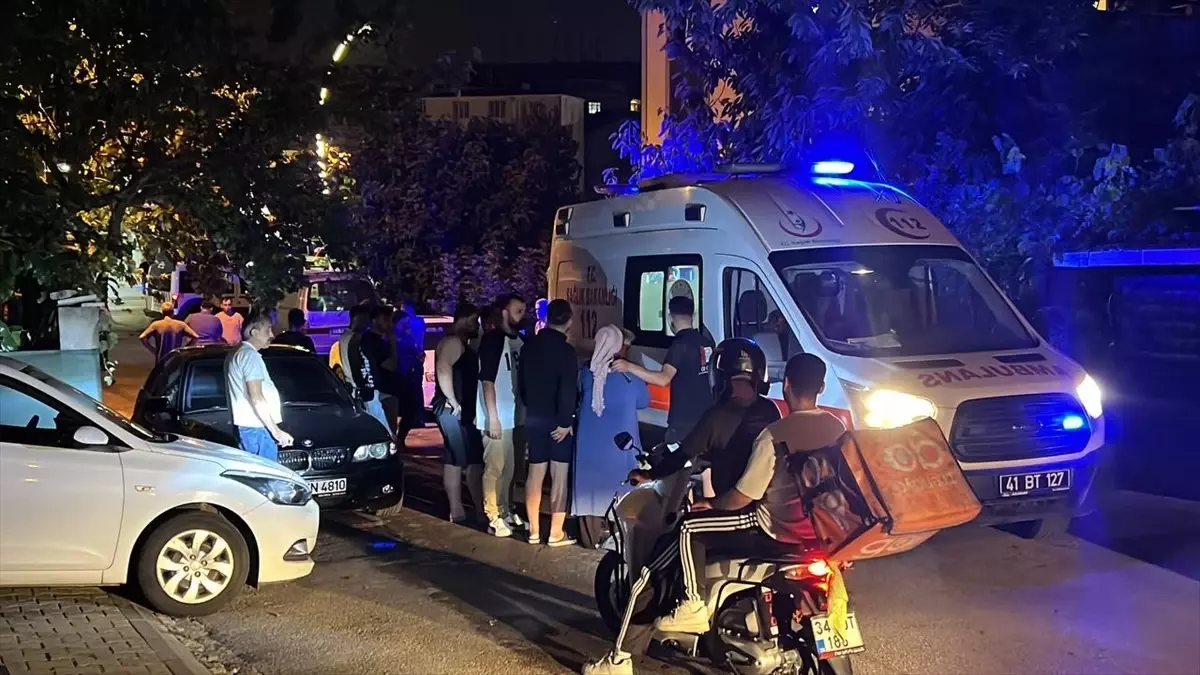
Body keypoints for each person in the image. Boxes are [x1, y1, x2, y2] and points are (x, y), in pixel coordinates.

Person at [584, 338, 781, 675]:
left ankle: (620, 661)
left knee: (648, 575)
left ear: (719, 376)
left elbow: (682, 456)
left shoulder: (717, 416)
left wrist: (648, 473)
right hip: (771, 517)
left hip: (736, 515)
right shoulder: (769, 411)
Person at [574, 326, 649, 531]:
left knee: (588, 488)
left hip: (588, 445)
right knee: (621, 486)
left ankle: (589, 534)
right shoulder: (630, 377)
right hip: (620, 445)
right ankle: (617, 531)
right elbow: (644, 402)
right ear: (618, 347)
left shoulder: (585, 373)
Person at [613, 295, 714, 446]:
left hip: (684, 422)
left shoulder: (680, 345)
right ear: (693, 315)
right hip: (706, 417)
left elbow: (663, 379)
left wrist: (629, 366)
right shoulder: (707, 342)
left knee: (675, 459)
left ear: (669, 317)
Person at [518, 299, 579, 546]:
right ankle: (555, 532)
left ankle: (533, 530)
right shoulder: (566, 351)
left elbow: (522, 384)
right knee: (559, 476)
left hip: (535, 416)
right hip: (557, 420)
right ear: (569, 321)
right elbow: (568, 390)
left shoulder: (529, 346)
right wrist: (565, 421)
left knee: (535, 472)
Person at [476, 293, 527, 537]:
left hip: (512, 415)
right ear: (505, 312)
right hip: (497, 416)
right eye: (518, 310)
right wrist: (492, 417)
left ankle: (505, 509)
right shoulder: (493, 340)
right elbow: (487, 381)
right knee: (495, 468)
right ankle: (493, 515)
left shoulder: (518, 341)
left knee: (509, 468)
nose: (522, 315)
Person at [433, 303, 485, 523]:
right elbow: (443, 368)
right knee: (460, 458)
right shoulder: (453, 342)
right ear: (463, 320)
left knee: (460, 457)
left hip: (458, 408)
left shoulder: (461, 342)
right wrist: (452, 400)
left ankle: (466, 509)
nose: (477, 325)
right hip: (453, 409)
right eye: (474, 321)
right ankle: (460, 509)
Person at [224, 314, 293, 460]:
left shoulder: (237, 352)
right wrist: (276, 431)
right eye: (268, 330)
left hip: (250, 427)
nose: (272, 335)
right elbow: (256, 397)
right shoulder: (250, 356)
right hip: (257, 428)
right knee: (267, 473)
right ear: (254, 332)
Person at [345, 305, 389, 432]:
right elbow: (358, 364)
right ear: (355, 318)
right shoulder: (356, 339)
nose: (367, 322)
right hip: (366, 389)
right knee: (381, 427)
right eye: (364, 318)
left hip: (362, 389)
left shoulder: (350, 337)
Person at [361, 305, 401, 438]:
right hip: (382, 391)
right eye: (385, 319)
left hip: (382, 391)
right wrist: (393, 343)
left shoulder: (376, 340)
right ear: (374, 320)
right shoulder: (373, 341)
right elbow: (391, 365)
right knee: (389, 433)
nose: (389, 323)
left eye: (390, 319)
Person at [394, 308, 427, 442]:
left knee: (410, 411)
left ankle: (401, 438)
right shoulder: (392, 338)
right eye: (403, 323)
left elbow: (417, 350)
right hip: (400, 378)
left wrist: (419, 355)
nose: (406, 326)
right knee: (401, 410)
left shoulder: (409, 336)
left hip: (411, 377)